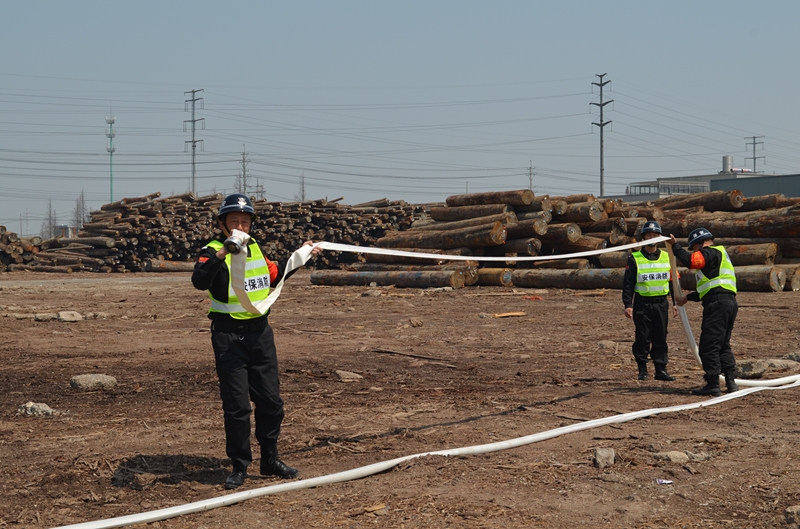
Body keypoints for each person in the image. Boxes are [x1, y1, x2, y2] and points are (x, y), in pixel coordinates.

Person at [191, 193, 322, 490]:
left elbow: (275, 277)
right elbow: (199, 280)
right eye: (234, 221)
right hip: (228, 338)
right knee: (237, 407)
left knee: (271, 402)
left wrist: (302, 254)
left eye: (245, 222)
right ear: (222, 224)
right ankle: (239, 465)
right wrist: (222, 253)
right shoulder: (211, 251)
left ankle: (270, 459)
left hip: (260, 335)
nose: (240, 227)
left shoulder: (257, 250)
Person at [669, 227, 739, 397]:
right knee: (722, 344)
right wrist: (687, 298)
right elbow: (709, 288)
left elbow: (691, 261)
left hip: (717, 305)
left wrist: (675, 246)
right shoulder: (719, 256)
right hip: (728, 303)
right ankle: (730, 382)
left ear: (700, 244)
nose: (694, 251)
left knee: (709, 346)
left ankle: (713, 384)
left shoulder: (709, 253)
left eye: (694, 248)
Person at [622, 221, 678, 382]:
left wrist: (675, 303)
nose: (652, 238)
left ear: (660, 237)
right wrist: (628, 304)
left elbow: (673, 282)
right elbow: (628, 284)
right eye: (649, 235)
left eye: (655, 235)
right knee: (643, 337)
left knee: (660, 337)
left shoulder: (667, 257)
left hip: (661, 304)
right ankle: (642, 369)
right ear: (643, 238)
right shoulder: (635, 258)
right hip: (642, 304)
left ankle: (661, 370)